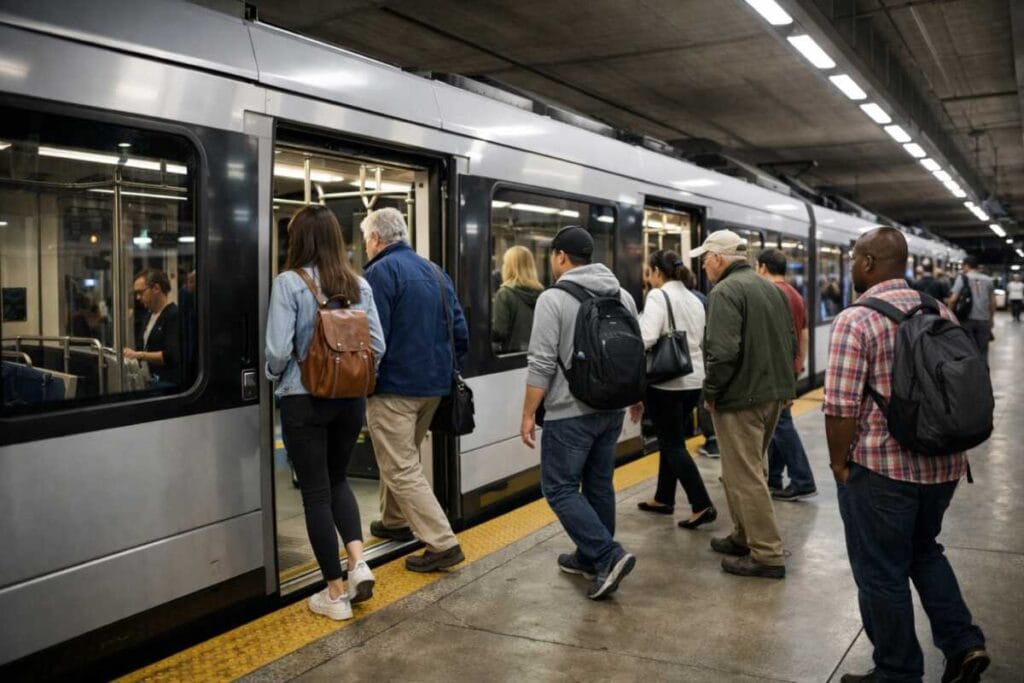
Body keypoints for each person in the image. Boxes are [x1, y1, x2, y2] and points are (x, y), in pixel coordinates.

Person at [825, 227, 989, 683]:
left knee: (881, 571)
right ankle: (964, 644)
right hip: (946, 464)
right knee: (925, 552)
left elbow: (839, 407)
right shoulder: (938, 310)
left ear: (870, 264)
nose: (852, 265)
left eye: (856, 257)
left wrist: (840, 464)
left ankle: (897, 671)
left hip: (882, 470)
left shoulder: (855, 319)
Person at [265, 205, 385, 621]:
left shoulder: (289, 283)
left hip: (305, 399)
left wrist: (272, 375)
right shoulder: (359, 286)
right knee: (338, 480)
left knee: (314, 491)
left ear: (299, 240)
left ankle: (334, 593)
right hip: (351, 401)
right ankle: (357, 562)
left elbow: (278, 351)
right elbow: (378, 348)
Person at [520, 225, 638, 600]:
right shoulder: (623, 295)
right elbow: (634, 354)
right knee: (599, 483)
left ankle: (606, 554)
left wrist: (527, 413)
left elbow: (540, 363)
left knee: (558, 487)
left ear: (560, 257)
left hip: (570, 412)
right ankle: (590, 557)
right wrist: (637, 396)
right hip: (612, 408)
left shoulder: (553, 299)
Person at [361, 207, 467, 572]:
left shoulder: (378, 273)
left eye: (366, 240)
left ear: (376, 239)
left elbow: (374, 337)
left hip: (395, 387)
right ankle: (394, 521)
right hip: (434, 388)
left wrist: (365, 381)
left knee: (400, 464)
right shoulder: (435, 271)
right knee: (403, 456)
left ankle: (442, 542)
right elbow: (460, 332)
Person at [695, 230, 795, 579]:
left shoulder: (724, 291)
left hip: (741, 398)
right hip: (771, 394)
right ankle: (743, 535)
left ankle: (767, 554)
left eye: (705, 258)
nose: (703, 265)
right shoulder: (771, 288)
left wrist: (710, 393)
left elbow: (722, 352)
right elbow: (790, 340)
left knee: (746, 475)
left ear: (719, 259)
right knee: (748, 470)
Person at [635, 250, 716, 529]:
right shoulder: (694, 298)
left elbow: (646, 337)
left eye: (650, 271)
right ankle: (664, 497)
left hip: (666, 382)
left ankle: (701, 503)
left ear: (657, 271)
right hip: (693, 380)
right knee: (673, 440)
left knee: (672, 444)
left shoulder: (658, 295)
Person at [756, 249, 817, 501]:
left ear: (762, 267)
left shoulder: (769, 294)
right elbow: (803, 333)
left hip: (773, 370)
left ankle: (803, 480)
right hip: (788, 369)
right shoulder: (795, 295)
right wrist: (799, 364)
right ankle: (774, 478)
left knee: (781, 424)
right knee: (777, 423)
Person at [124, 268, 181, 387]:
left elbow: (171, 355)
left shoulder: (174, 315)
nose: (138, 298)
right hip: (149, 380)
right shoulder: (148, 316)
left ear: (156, 288)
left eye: (141, 292)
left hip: (166, 383)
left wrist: (138, 355)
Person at [492, 245, 543, 354]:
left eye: (505, 263)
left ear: (510, 267)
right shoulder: (543, 294)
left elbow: (499, 332)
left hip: (511, 357)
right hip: (536, 356)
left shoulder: (504, 293)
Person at [949, 256, 996, 364]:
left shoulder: (962, 278)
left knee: (967, 351)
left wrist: (949, 315)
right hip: (984, 320)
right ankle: (984, 378)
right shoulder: (988, 280)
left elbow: (953, 300)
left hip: (966, 320)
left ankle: (971, 377)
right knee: (983, 352)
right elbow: (993, 303)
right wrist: (991, 318)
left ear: (966, 266)